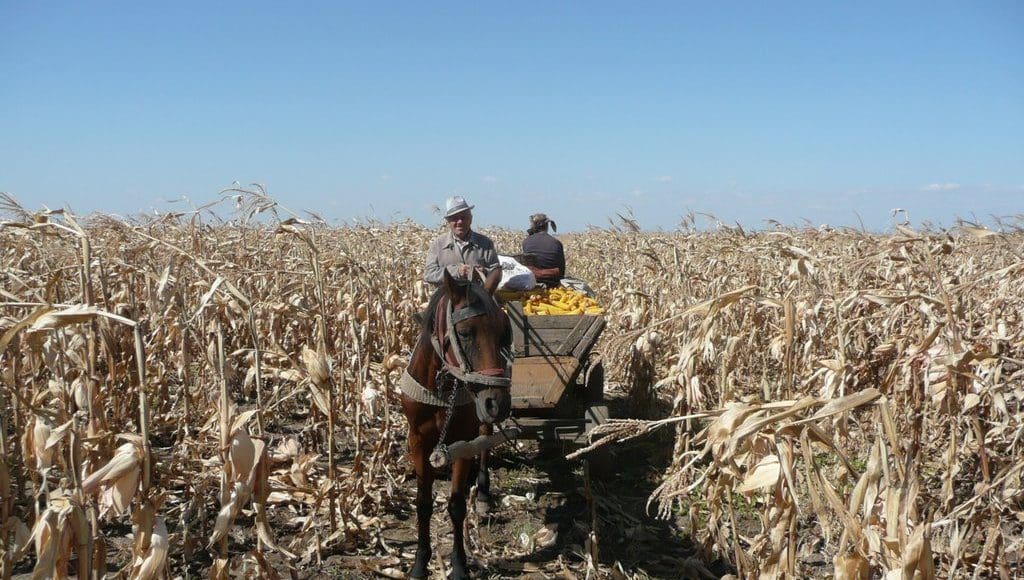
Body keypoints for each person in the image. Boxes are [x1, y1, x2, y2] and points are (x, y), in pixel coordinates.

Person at [423, 196, 500, 286]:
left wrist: (483, 272)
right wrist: (457, 271)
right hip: (446, 295)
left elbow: (496, 272)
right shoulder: (438, 245)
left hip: (477, 296)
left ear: (470, 219)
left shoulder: (485, 243)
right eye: (455, 218)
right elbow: (429, 274)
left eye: (463, 217)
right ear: (448, 221)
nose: (459, 222)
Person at [521, 213, 565, 287]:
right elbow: (561, 271)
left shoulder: (526, 241)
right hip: (552, 282)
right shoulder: (556, 242)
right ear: (547, 226)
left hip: (533, 280)